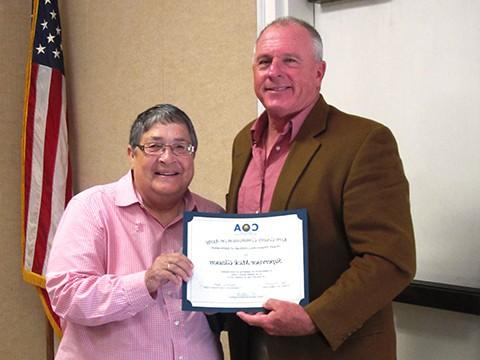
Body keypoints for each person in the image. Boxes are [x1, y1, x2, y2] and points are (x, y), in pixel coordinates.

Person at [220, 17, 416, 359]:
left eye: (290, 61)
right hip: (252, 343)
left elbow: (389, 258)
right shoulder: (244, 141)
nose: (274, 71)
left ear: (319, 72)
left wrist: (314, 318)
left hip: (331, 348)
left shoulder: (364, 142)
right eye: (264, 61)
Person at [46, 104, 224, 360]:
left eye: (180, 147)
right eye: (154, 146)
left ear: (192, 155)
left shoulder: (212, 217)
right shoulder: (91, 208)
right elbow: (67, 296)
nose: (167, 158)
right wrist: (145, 282)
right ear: (131, 154)